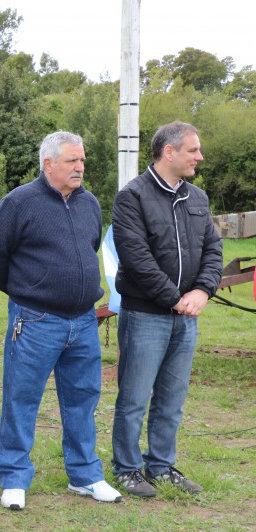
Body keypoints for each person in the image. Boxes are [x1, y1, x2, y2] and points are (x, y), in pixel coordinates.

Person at [0, 131, 122, 511]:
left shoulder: (89, 202)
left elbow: (89, 248)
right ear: (48, 164)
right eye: (72, 161)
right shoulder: (18, 202)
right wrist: (26, 290)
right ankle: (14, 477)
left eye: (82, 160)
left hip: (84, 322)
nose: (80, 167)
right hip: (36, 320)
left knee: (83, 399)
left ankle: (86, 475)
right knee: (21, 398)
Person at [111, 121, 222, 498]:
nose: (200, 157)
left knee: (172, 400)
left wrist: (203, 292)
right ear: (169, 152)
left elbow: (213, 250)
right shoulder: (133, 197)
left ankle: (160, 465)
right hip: (145, 316)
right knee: (134, 399)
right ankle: (127, 469)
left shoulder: (198, 198)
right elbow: (137, 259)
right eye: (193, 150)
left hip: (186, 319)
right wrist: (175, 298)